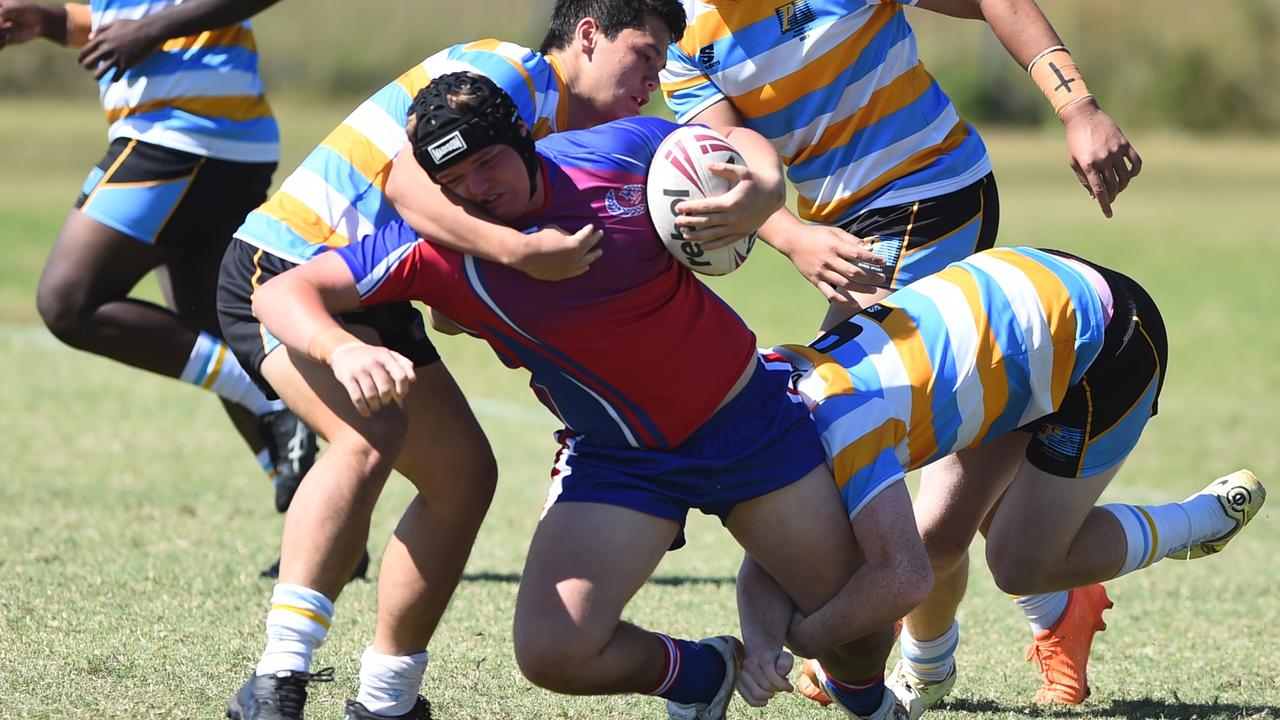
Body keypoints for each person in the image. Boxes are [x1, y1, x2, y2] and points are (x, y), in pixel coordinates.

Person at [249, 70, 878, 720]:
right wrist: (343, 347)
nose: (476, 190)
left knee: (857, 633)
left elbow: (725, 144)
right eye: (454, 181)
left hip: (749, 423)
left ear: (523, 137)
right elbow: (279, 292)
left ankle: (868, 700)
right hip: (623, 463)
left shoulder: (611, 156)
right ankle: (702, 672)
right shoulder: (438, 249)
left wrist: (772, 197)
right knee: (553, 653)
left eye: (486, 163)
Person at [661, 0, 1144, 706]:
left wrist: (1077, 108)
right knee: (934, 498)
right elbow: (733, 167)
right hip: (850, 231)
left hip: (932, 196)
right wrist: (790, 234)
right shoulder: (683, 41)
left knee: (834, 445)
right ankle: (1033, 620)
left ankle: (897, 659)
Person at [731, 246, 1265, 719]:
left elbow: (902, 577)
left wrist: (805, 637)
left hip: (1105, 342)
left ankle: (1202, 519)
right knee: (937, 535)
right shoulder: (771, 394)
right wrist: (761, 645)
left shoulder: (842, 428)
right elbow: (770, 554)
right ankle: (930, 671)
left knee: (1019, 564)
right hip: (1019, 313)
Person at [0, 0, 317, 569]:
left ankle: (268, 398)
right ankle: (324, 535)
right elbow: (130, 18)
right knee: (214, 329)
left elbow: (153, 23)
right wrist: (52, 23)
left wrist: (150, 30)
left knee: (67, 303)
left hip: (183, 133)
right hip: (204, 135)